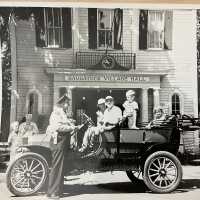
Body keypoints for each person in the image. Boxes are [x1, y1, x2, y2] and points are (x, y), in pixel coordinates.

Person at [46, 94, 79, 199]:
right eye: (66, 103)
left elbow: (64, 123)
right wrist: (71, 128)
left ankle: (58, 190)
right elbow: (58, 127)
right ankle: (52, 192)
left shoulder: (61, 113)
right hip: (58, 141)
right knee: (57, 167)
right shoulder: (56, 113)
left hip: (62, 142)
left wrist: (72, 125)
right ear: (61, 103)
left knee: (60, 167)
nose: (68, 105)